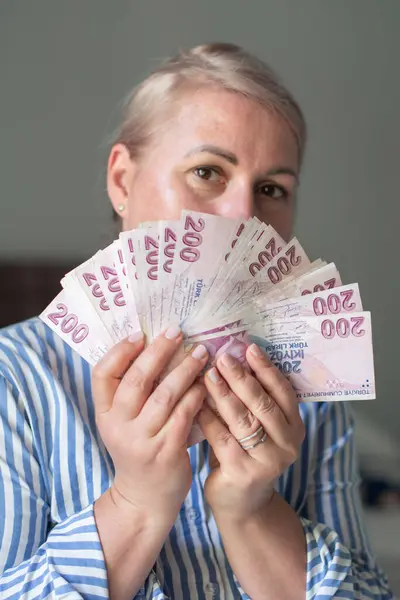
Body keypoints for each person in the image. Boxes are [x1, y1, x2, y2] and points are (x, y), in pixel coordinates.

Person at [0, 43, 393, 600]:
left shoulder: (315, 389)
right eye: (207, 171)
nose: (242, 215)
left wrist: (252, 508)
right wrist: (137, 500)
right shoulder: (12, 381)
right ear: (122, 181)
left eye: (272, 189)